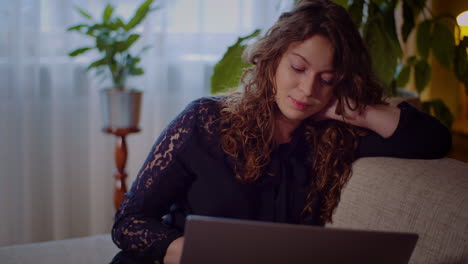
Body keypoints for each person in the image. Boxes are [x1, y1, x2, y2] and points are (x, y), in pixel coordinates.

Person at [110, 0, 452, 263]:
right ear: (272, 59)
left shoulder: (335, 138)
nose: (307, 89)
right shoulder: (205, 120)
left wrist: (352, 109)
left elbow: (433, 140)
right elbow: (128, 222)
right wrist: (187, 253)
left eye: (327, 79)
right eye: (299, 68)